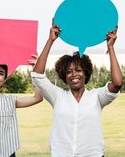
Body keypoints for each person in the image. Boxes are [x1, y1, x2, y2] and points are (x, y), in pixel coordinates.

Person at [31, 22, 123, 156]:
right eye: (69, 71)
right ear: (64, 76)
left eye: (78, 70)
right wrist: (50, 40)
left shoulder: (97, 96)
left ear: (86, 73)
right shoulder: (57, 96)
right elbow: (37, 76)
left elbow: (117, 83)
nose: (74, 74)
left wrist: (110, 47)